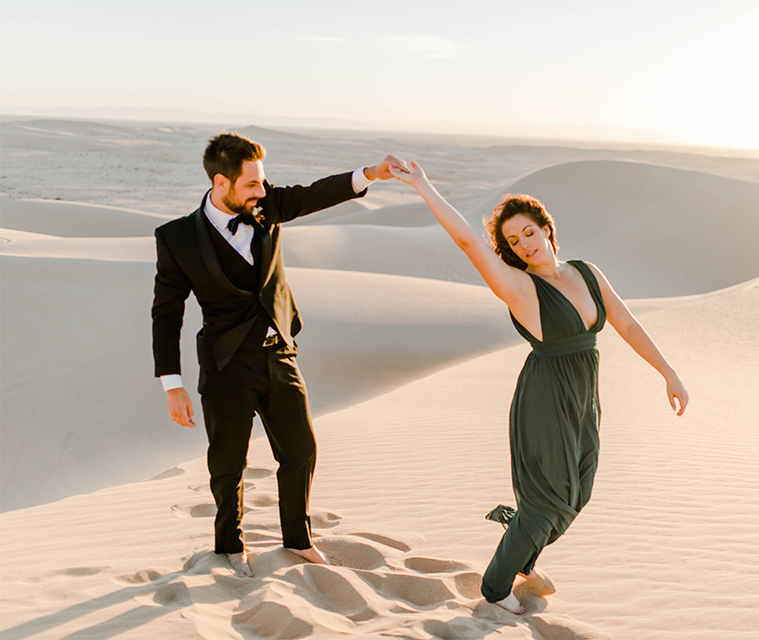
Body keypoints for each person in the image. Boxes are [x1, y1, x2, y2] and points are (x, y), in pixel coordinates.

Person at [391, 161, 689, 614]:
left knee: (578, 491)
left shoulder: (586, 272)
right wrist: (423, 185)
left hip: (583, 395)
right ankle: (495, 586)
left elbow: (625, 323)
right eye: (513, 241)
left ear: (546, 229)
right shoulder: (519, 288)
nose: (524, 245)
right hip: (545, 397)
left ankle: (521, 544)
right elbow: (468, 240)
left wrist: (668, 372)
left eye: (528, 232)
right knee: (549, 500)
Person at [152, 131, 406, 577]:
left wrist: (372, 174)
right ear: (220, 183)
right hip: (226, 365)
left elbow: (315, 195)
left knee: (301, 450)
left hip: (279, 353)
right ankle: (230, 547)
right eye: (252, 183)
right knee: (228, 462)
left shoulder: (267, 206)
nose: (262, 190)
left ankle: (298, 540)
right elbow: (166, 313)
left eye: (263, 181)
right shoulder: (176, 238)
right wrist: (171, 385)